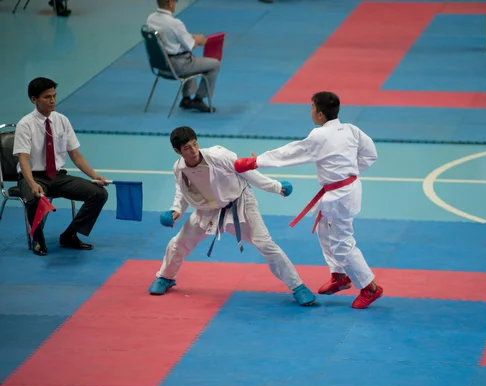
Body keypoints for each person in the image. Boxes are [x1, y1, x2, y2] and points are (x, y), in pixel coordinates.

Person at [234, 91, 383, 309]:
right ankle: (339, 275)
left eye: (312, 107)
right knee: (324, 229)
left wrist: (255, 162)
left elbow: (291, 153)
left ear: (320, 114)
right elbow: (371, 154)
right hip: (346, 189)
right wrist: (349, 172)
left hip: (340, 196)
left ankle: (370, 287)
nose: (310, 111)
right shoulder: (352, 129)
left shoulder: (320, 136)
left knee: (342, 243)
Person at [148, 126, 316, 307]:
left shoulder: (219, 156)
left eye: (195, 144)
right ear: (177, 151)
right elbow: (182, 192)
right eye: (187, 148)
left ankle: (298, 286)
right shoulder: (179, 168)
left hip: (240, 204)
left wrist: (275, 187)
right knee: (178, 243)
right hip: (208, 210)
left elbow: (246, 170)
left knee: (265, 244)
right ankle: (166, 277)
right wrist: (175, 210)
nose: (194, 150)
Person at [13, 77, 109, 256]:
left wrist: (95, 176)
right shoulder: (25, 124)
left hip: (57, 176)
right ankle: (37, 238)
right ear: (34, 99)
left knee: (99, 194)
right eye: (47, 97)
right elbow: (24, 160)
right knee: (33, 198)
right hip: (32, 176)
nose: (53, 101)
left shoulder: (62, 120)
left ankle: (69, 235)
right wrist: (32, 184)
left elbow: (75, 155)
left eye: (54, 96)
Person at [146, 0, 220, 112]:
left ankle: (186, 98)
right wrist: (199, 40)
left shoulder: (151, 19)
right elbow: (190, 45)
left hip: (162, 65)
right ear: (170, 3)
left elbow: (171, 36)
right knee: (214, 64)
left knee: (191, 58)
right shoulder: (175, 23)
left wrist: (191, 37)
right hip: (178, 66)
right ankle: (198, 99)